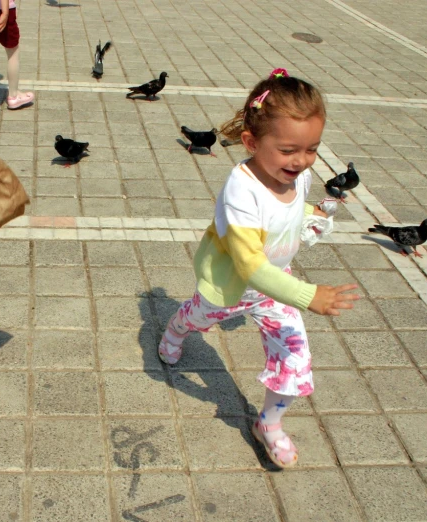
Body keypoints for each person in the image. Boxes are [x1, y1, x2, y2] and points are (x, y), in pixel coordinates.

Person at [157, 68, 359, 468]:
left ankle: (269, 423)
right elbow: (249, 264)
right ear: (251, 142)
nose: (302, 161)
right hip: (232, 286)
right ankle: (176, 327)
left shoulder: (295, 174)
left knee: (296, 360)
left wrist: (309, 213)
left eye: (312, 148)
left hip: (274, 288)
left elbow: (287, 210)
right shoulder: (241, 190)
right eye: (289, 150)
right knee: (197, 318)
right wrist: (308, 295)